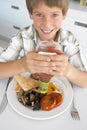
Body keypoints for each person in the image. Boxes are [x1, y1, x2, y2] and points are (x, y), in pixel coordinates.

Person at [0, 0, 87, 87]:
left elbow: (85, 82)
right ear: (31, 14)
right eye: (39, 15)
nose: (47, 24)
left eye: (54, 15)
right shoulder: (22, 38)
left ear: (64, 14)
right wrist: (22, 65)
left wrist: (68, 70)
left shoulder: (69, 41)